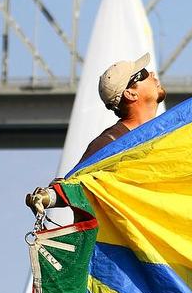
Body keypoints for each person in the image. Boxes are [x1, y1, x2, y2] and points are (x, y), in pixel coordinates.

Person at [25, 53, 165, 215]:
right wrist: (48, 197)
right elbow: (77, 184)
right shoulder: (110, 143)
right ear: (130, 94)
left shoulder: (167, 134)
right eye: (145, 74)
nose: (153, 75)